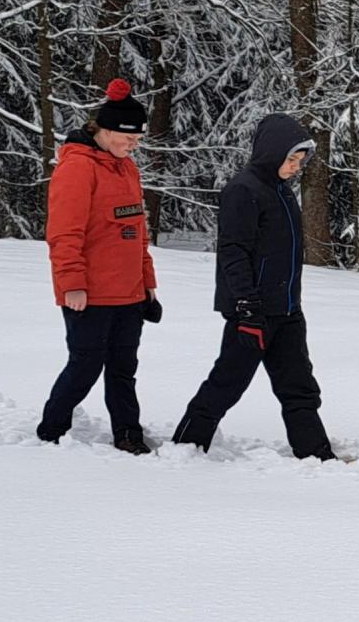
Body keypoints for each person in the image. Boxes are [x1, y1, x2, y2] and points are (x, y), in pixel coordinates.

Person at [171, 114, 337, 460]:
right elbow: (233, 252)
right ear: (272, 152)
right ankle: (186, 446)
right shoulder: (243, 190)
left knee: (299, 386)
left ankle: (315, 454)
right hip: (253, 312)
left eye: (301, 160)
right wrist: (246, 306)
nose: (296, 167)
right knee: (227, 383)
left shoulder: (282, 191)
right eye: (291, 159)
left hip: (287, 310)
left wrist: (290, 303)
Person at [37, 78, 161, 454]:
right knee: (85, 365)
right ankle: (52, 429)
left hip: (128, 292)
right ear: (105, 130)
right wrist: (71, 284)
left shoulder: (127, 169)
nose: (134, 144)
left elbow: (137, 232)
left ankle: (128, 433)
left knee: (124, 369)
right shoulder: (77, 168)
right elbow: (64, 233)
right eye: (129, 137)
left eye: (138, 139)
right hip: (89, 294)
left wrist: (148, 283)